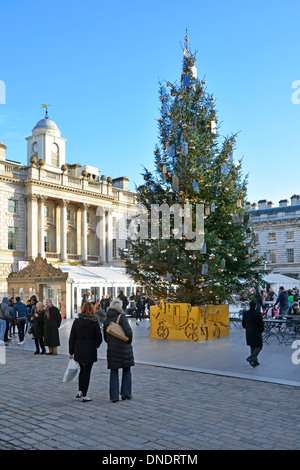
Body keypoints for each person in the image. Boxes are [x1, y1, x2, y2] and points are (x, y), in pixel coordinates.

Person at [69, 302, 102, 402]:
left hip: (79, 349)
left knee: (82, 370)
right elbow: (99, 338)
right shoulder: (94, 322)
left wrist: (71, 351)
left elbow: (72, 338)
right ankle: (84, 395)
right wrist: (95, 345)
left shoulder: (77, 322)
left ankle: (80, 390)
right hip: (90, 349)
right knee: (87, 372)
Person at [103, 298, 134, 402]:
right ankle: (126, 394)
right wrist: (128, 341)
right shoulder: (122, 317)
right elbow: (128, 332)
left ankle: (114, 396)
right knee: (126, 370)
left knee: (114, 372)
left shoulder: (107, 319)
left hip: (112, 349)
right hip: (124, 348)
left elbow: (105, 337)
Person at [242, 300, 265, 367]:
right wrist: (261, 330)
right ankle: (251, 358)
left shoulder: (245, 313)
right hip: (257, 332)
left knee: (252, 346)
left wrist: (248, 328)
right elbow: (261, 324)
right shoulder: (258, 314)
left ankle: (255, 362)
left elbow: (243, 324)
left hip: (249, 332)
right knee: (259, 346)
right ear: (255, 306)